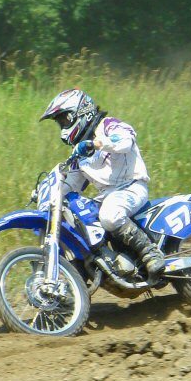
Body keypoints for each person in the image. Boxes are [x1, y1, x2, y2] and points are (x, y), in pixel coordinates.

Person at [39, 88, 166, 277]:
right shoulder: (79, 152)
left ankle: (150, 252)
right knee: (79, 218)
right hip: (106, 196)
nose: (63, 126)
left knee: (110, 215)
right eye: (60, 123)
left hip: (131, 187)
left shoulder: (109, 126)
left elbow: (126, 142)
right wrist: (50, 193)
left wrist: (96, 144)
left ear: (80, 112)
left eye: (64, 120)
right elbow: (73, 182)